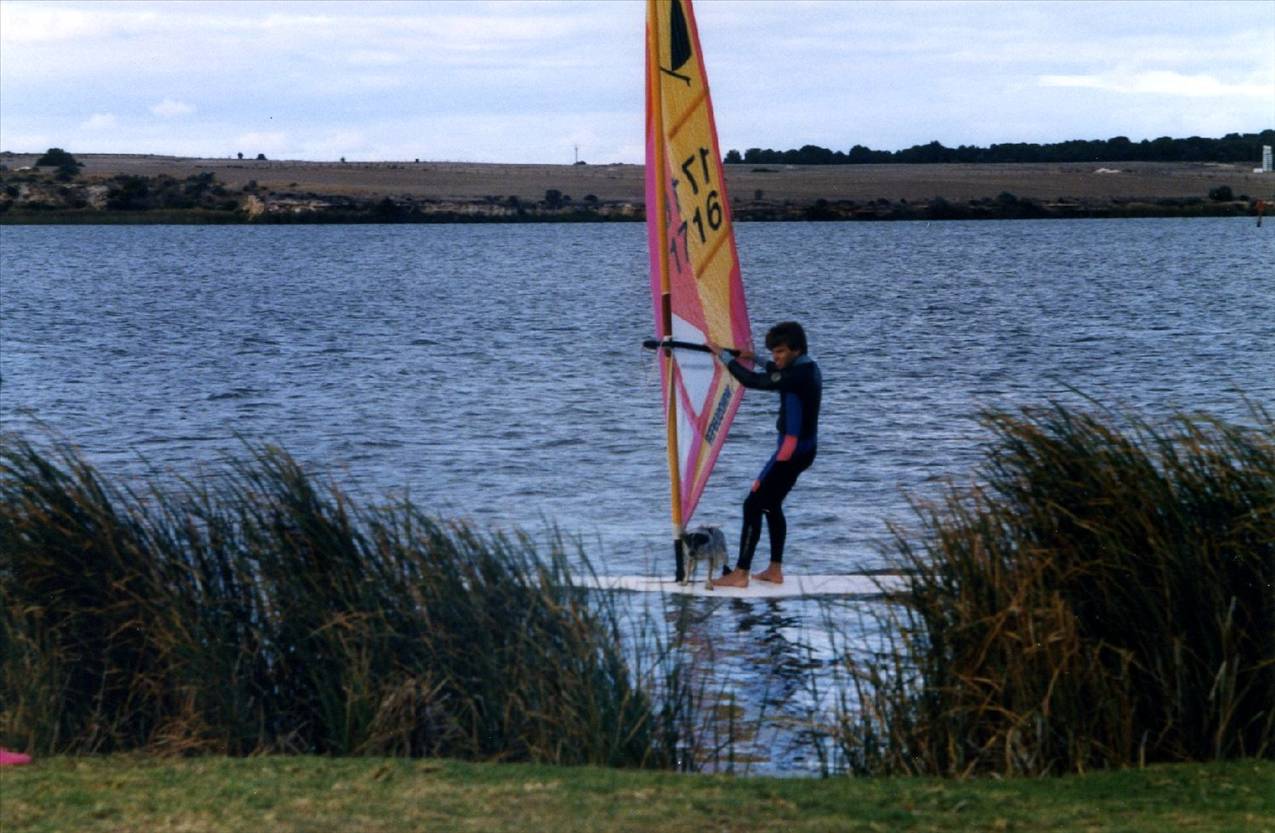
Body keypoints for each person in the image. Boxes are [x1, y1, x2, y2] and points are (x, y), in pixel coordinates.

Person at [708, 321, 821, 588]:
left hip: (790, 453)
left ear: (797, 349)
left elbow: (752, 381)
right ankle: (774, 570)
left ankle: (740, 573)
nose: (776, 358)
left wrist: (723, 356)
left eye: (780, 352)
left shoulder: (798, 375)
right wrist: (753, 357)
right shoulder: (805, 367)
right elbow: (774, 371)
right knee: (771, 504)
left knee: (753, 504)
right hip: (804, 450)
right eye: (773, 352)